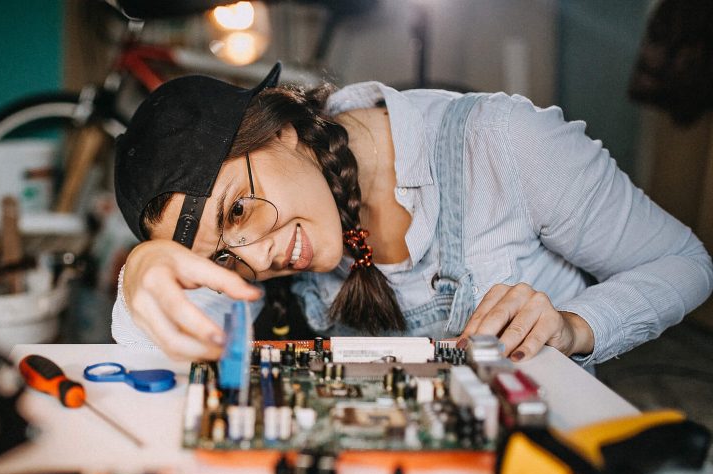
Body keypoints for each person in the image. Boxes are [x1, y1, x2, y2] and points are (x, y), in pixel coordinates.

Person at [110, 64, 713, 365]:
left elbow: (686, 262)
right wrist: (143, 272)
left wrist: (575, 325)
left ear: (280, 129)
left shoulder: (503, 144)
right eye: (223, 257)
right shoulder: (277, 240)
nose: (258, 258)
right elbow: (161, 355)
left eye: (238, 210)